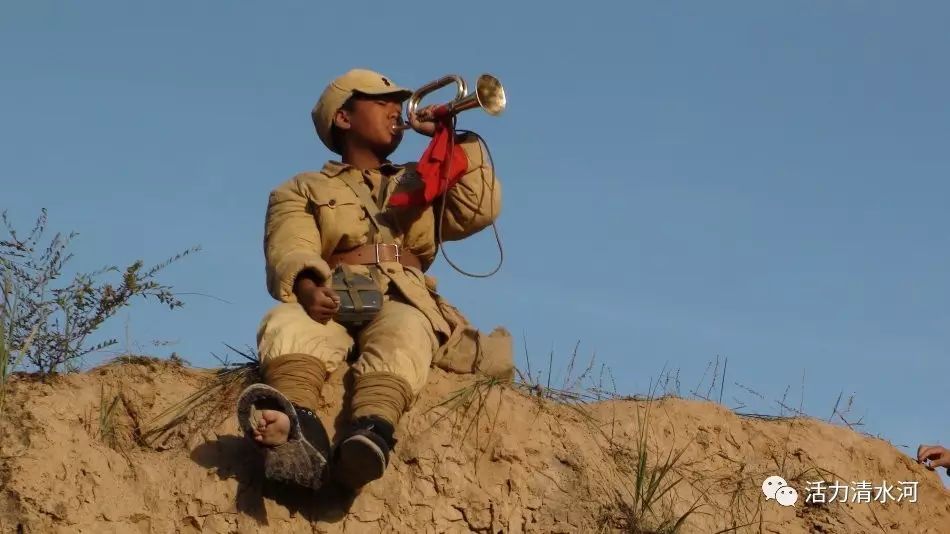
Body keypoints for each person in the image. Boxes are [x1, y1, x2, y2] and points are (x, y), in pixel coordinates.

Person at [236, 68, 507, 493]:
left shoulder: (424, 177)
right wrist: (307, 289)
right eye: (380, 102)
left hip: (405, 295)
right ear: (344, 119)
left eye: (397, 103)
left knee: (407, 333)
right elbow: (290, 245)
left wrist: (456, 138)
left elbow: (479, 208)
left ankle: (371, 431)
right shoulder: (300, 188)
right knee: (287, 323)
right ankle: (294, 420)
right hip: (333, 289)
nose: (395, 110)